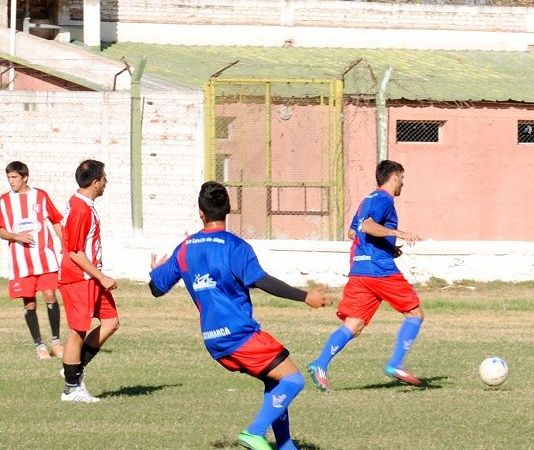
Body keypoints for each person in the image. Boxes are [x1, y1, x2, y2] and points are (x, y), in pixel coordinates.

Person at [149, 181, 330, 450]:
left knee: (274, 379)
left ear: (201, 212)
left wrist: (155, 271)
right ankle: (253, 433)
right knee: (293, 380)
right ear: (229, 209)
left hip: (213, 339)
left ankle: (286, 446)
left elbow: (156, 288)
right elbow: (261, 281)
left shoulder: (185, 248)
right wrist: (305, 297)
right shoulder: (235, 246)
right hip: (239, 334)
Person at [307, 159, 424, 391]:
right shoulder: (384, 199)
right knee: (415, 314)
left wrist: (388, 246)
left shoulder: (367, 200)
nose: (403, 184)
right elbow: (369, 227)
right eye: (403, 178)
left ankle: (319, 364)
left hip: (360, 270)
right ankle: (395, 364)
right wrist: (397, 233)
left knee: (354, 325)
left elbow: (354, 231)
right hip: (379, 271)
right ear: (395, 176)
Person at [58, 159, 119, 403]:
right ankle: (71, 389)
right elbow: (75, 251)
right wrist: (101, 276)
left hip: (90, 278)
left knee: (111, 322)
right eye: (104, 178)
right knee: (77, 332)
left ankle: (73, 367)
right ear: (95, 183)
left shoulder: (83, 204)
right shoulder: (81, 209)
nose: (106, 182)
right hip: (79, 279)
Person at [0, 161, 65, 360]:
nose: (11, 181)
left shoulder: (40, 196)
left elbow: (55, 220)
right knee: (30, 305)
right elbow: (1, 230)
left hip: (45, 259)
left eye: (14, 177)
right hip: (21, 262)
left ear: (25, 177)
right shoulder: (3, 201)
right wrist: (16, 236)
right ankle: (39, 346)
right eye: (9, 177)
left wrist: (65, 242)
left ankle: (56, 342)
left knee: (50, 296)